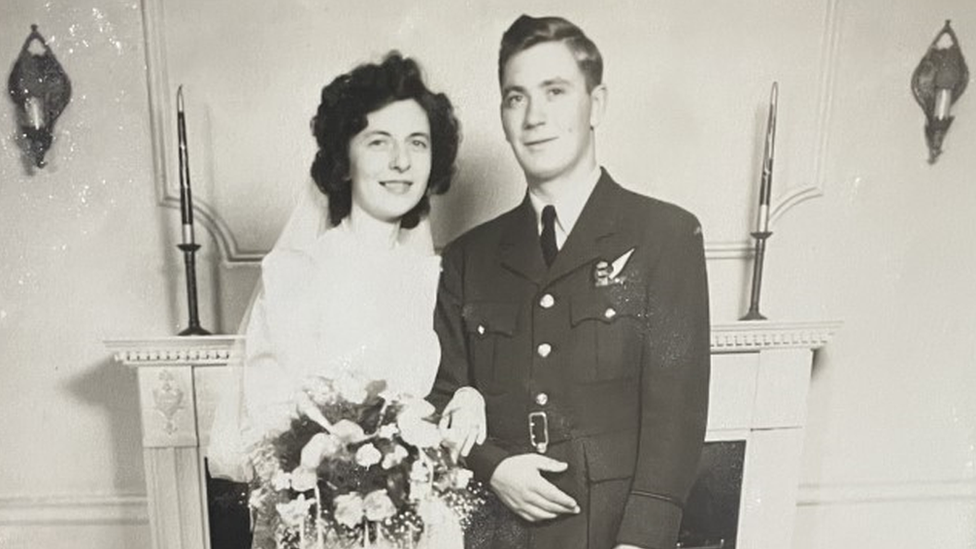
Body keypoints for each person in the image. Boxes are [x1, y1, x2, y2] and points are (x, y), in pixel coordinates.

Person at [430, 15, 711, 549]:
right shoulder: (469, 256)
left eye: (554, 91)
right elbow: (443, 391)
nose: (534, 116)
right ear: (503, 115)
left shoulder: (665, 236)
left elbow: (677, 412)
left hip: (609, 530)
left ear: (596, 104)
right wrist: (492, 467)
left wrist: (641, 541)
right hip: (493, 530)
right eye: (516, 97)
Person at [206, 52, 486, 547]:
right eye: (379, 142)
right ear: (344, 157)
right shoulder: (298, 272)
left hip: (424, 523)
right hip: (325, 525)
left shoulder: (436, 276)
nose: (401, 161)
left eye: (417, 143)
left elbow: (445, 387)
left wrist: (468, 397)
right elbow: (267, 424)